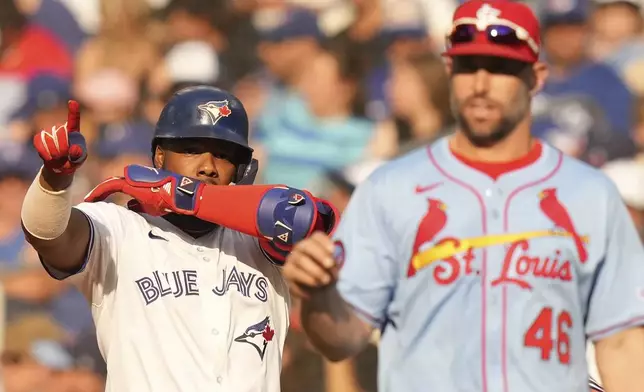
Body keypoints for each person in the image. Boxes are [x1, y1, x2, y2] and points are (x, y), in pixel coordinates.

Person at [282, 1, 644, 392]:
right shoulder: (390, 189)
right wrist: (319, 295)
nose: (481, 84)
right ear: (450, 71)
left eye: (501, 67)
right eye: (468, 66)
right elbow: (343, 339)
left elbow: (622, 343)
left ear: (536, 77)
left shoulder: (590, 194)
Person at [20, 86, 338, 392]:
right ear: (159, 156)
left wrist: (183, 196)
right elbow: (47, 234)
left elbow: (304, 215)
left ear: (242, 169)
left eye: (224, 155)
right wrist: (54, 180)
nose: (208, 166)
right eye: (191, 150)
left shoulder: (259, 240)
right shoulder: (119, 229)